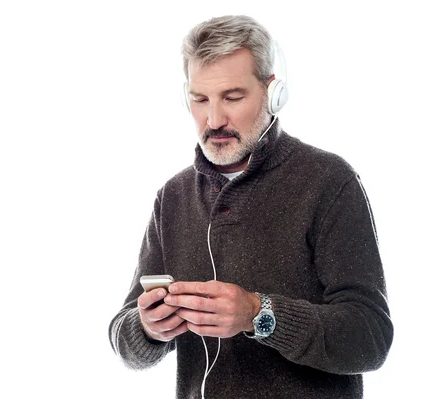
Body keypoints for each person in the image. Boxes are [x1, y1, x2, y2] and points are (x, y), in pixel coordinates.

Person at [108, 14, 393, 399]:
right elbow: (124, 336)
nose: (214, 119)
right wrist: (147, 328)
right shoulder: (172, 197)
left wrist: (260, 314)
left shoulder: (329, 181)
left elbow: (370, 337)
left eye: (233, 97)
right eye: (199, 99)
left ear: (273, 92)